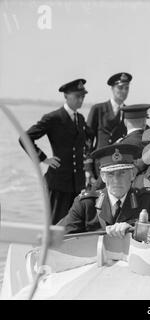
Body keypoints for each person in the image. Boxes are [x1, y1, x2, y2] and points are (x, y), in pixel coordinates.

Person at [19, 79, 93, 224]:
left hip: (77, 182)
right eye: (77, 96)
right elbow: (25, 138)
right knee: (55, 222)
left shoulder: (80, 118)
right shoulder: (54, 118)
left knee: (74, 223)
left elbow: (87, 141)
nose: (80, 100)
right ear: (66, 96)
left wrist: (88, 163)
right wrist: (44, 158)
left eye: (83, 96)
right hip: (58, 182)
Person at [59, 144, 150, 237]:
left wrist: (136, 230)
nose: (116, 180)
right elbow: (63, 238)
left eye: (122, 173)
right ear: (103, 177)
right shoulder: (86, 204)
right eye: (110, 174)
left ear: (132, 174)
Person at [85, 72, 132, 184]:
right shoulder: (98, 109)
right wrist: (87, 169)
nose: (124, 91)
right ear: (112, 88)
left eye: (127, 88)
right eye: (120, 88)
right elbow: (87, 140)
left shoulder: (129, 112)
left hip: (119, 165)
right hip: (100, 164)